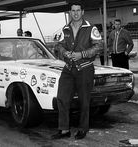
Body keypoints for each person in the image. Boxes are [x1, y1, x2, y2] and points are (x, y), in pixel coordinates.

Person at [51, 1, 102, 140]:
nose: (75, 13)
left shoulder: (91, 28)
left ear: (82, 12)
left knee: (84, 101)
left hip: (85, 69)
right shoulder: (65, 29)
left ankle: (83, 128)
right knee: (62, 98)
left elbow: (98, 47)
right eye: (73, 10)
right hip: (68, 68)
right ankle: (64, 130)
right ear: (70, 12)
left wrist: (82, 54)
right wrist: (64, 52)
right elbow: (58, 46)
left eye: (78, 10)